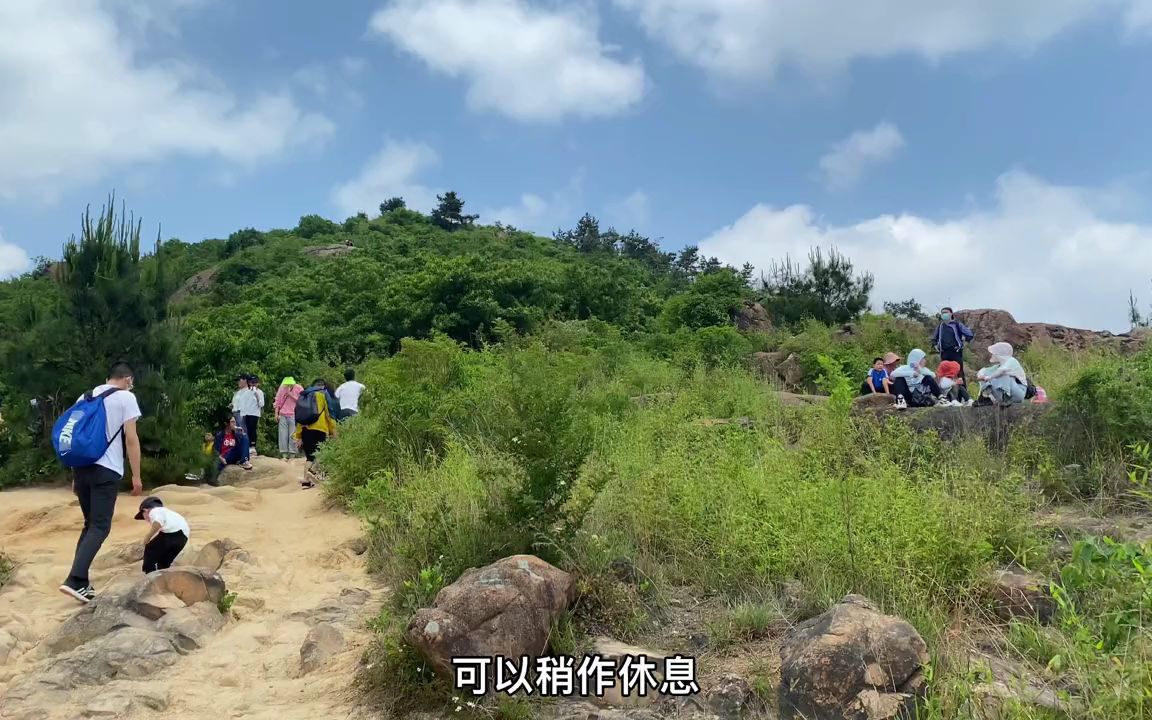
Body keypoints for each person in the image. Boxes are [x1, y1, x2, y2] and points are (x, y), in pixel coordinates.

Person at [58, 362, 143, 604]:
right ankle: (74, 579)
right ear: (127, 379)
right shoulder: (126, 397)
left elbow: (74, 438)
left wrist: (75, 477)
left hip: (82, 467)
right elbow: (131, 439)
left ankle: (81, 583)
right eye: (132, 381)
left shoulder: (85, 396)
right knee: (100, 526)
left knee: (90, 525)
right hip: (106, 470)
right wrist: (136, 476)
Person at [294, 379, 338, 489]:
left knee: (309, 456)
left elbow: (300, 418)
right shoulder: (323, 395)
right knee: (320, 453)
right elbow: (329, 414)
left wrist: (298, 436)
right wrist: (333, 431)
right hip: (320, 428)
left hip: (305, 429)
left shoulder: (304, 395)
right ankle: (313, 472)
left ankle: (306, 481)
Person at [134, 496, 190, 573]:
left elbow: (158, 523)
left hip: (172, 533)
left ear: (145, 510)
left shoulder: (154, 511)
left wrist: (148, 537)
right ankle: (162, 575)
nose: (146, 520)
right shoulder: (168, 512)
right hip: (184, 538)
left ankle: (150, 576)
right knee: (164, 561)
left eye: (143, 517)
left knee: (150, 549)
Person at [931, 308, 975, 389]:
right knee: (945, 373)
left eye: (946, 312)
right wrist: (935, 346)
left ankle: (963, 395)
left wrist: (964, 344)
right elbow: (934, 338)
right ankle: (948, 393)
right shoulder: (940, 326)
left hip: (956, 352)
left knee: (959, 373)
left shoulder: (957, 324)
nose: (944, 314)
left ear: (951, 313)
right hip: (944, 352)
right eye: (942, 313)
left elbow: (969, 335)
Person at [977, 342, 1029, 406]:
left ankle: (1006, 395)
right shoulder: (998, 366)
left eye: (994, 353)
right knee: (991, 376)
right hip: (1003, 396)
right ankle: (986, 397)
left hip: (1019, 392)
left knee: (1003, 375)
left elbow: (1002, 371)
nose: (992, 355)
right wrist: (982, 374)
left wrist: (988, 377)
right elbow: (985, 371)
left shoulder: (1011, 361)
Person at [232, 375, 263, 456]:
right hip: (246, 413)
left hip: (255, 413)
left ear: (258, 383)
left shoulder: (259, 392)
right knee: (246, 430)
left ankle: (253, 446)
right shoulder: (247, 392)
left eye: (254, 383)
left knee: (252, 429)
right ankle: (247, 446)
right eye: (251, 383)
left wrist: (257, 397)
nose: (253, 384)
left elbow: (261, 404)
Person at [274, 376, 304, 460]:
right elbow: (278, 400)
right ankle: (284, 454)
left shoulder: (299, 388)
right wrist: (276, 413)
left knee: (293, 435)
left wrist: (291, 395)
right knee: (283, 434)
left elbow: (302, 401)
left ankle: (292, 454)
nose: (288, 385)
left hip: (294, 414)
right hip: (283, 414)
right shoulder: (282, 388)